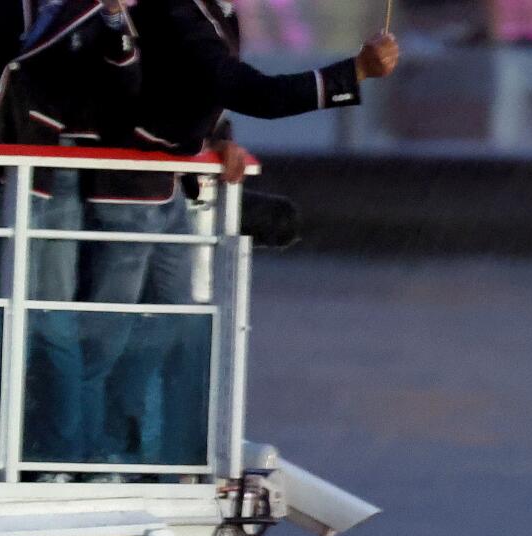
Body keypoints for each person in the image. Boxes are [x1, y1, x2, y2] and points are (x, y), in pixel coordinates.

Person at [79, 0, 397, 460]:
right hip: (127, 189)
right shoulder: (177, 12)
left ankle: (127, 446)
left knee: (175, 329)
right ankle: (72, 450)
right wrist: (355, 73)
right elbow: (252, 93)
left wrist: (218, 137)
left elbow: (191, 88)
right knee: (105, 334)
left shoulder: (213, 11)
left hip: (165, 189)